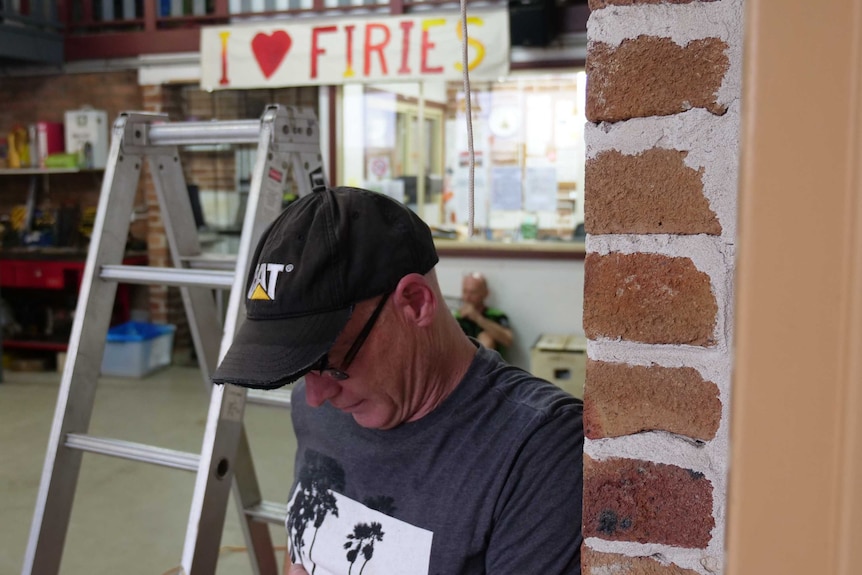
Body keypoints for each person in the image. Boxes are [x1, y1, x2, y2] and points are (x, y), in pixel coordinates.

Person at [212, 186, 584, 575]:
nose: (314, 396)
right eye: (301, 368)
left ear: (415, 303)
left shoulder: (539, 454)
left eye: (330, 361)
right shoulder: (322, 406)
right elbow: (305, 553)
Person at [455, 272, 514, 352]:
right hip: (460, 360)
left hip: (491, 362)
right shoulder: (456, 316)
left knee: (486, 337)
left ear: (485, 293)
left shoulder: (496, 315)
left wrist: (478, 318)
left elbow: (508, 340)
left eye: (473, 292)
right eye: (465, 292)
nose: (467, 297)